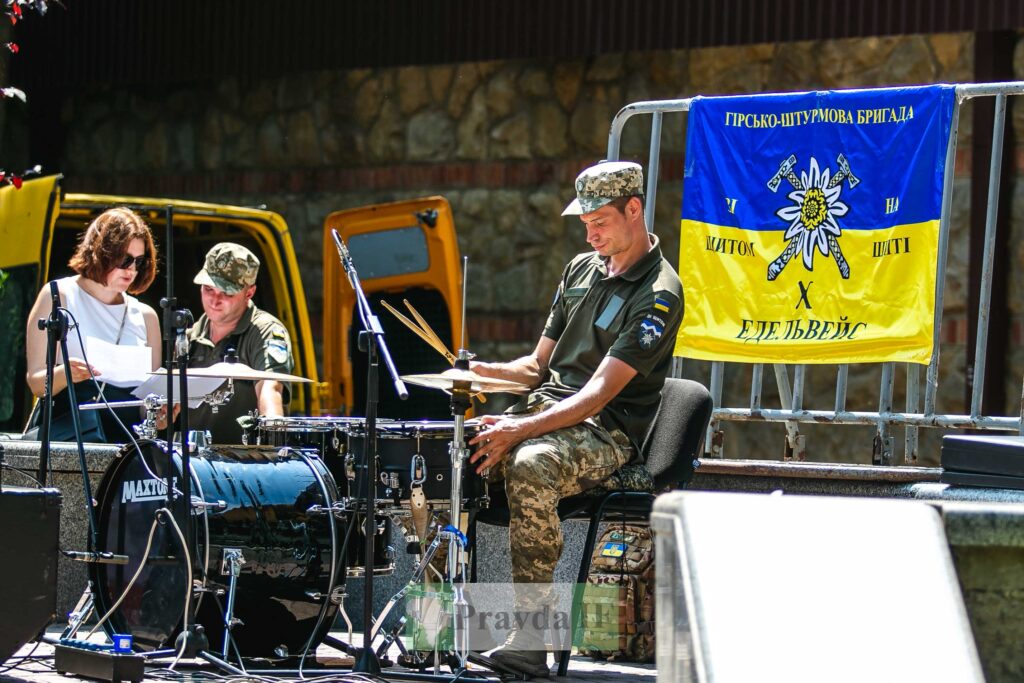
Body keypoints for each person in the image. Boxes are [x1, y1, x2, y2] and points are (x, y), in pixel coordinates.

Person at [466, 161, 683, 677]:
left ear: (634, 210)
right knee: (443, 457)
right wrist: (478, 373)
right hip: (545, 410)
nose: (590, 233)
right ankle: (435, 627)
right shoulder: (579, 270)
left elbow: (595, 395)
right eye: (584, 222)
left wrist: (516, 430)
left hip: (604, 431)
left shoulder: (658, 294)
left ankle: (533, 638)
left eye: (600, 221)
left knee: (532, 464)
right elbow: (536, 368)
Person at [24, 207, 162, 443]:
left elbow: (147, 404)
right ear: (101, 252)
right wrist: (66, 373)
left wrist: (161, 416)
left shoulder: (147, 316)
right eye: (124, 259)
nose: (131, 270)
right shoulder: (59, 295)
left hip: (128, 445)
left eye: (139, 261)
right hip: (72, 435)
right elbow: (36, 383)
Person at [185, 242, 293, 444]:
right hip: (193, 466)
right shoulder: (189, 337)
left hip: (245, 463)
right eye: (208, 289)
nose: (215, 300)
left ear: (249, 292)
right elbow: (165, 411)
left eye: (226, 293)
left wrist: (273, 444)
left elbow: (270, 388)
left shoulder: (265, 331)